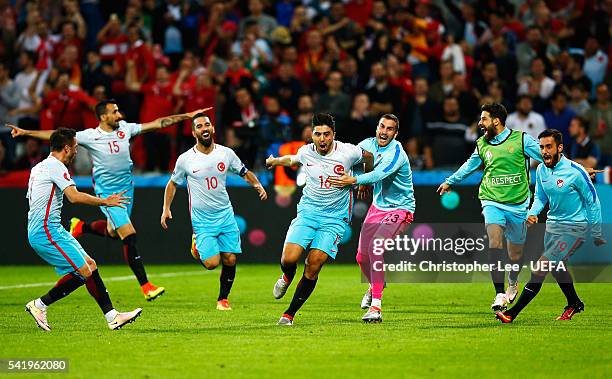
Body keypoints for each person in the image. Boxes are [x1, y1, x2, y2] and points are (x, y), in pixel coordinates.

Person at [9, 100, 211, 300]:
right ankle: (146, 285)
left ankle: (82, 228)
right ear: (103, 116)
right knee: (128, 234)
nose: (119, 114)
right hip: (106, 192)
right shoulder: (90, 136)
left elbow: (159, 123)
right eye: (114, 112)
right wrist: (26, 133)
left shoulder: (126, 129)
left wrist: (189, 115)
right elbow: (56, 137)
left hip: (126, 190)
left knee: (114, 232)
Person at [24, 128, 142, 331]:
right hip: (45, 231)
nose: (77, 152)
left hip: (51, 228)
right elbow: (74, 196)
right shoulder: (56, 166)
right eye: (76, 148)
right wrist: (105, 201)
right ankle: (40, 304)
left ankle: (113, 316)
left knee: (90, 265)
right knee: (83, 271)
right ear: (67, 148)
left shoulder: (39, 167)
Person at [265, 113, 374, 325]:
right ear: (312, 135)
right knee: (288, 259)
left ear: (334, 135)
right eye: (317, 134)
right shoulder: (307, 152)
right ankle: (287, 277)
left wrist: (363, 180)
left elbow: (368, 157)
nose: (322, 139)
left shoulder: (348, 152)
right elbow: (293, 160)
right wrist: (276, 161)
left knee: (313, 264)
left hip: (335, 218)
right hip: (308, 212)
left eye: (326, 134)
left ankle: (289, 314)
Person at [437, 103, 543, 312]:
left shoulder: (521, 140)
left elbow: (547, 157)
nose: (480, 123)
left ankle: (513, 280)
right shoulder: (482, 144)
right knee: (494, 240)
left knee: (515, 253)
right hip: (491, 200)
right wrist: (451, 180)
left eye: (484, 119)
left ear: (496, 120)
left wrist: (577, 169)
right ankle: (499, 293)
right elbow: (469, 165)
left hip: (518, 204)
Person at [496, 129, 605, 323]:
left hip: (574, 229)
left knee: (541, 266)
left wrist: (596, 231)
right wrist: (532, 212)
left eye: (549, 147)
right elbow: (540, 197)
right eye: (542, 147)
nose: (544, 151)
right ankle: (574, 303)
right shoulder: (540, 170)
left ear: (559, 148)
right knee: (556, 267)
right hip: (552, 227)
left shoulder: (576, 171)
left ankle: (512, 314)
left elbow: (592, 201)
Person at [161, 113, 267, 310]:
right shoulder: (185, 159)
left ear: (213, 129)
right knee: (211, 263)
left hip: (225, 214)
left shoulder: (226, 153)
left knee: (231, 258)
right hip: (202, 219)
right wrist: (166, 208)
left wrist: (257, 185)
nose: (205, 128)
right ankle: (197, 248)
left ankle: (223, 299)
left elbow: (244, 172)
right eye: (200, 126)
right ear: (194, 133)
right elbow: (172, 184)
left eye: (207, 125)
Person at [328, 114, 415, 323]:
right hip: (377, 208)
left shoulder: (397, 153)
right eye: (382, 127)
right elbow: (353, 158)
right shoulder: (367, 144)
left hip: (400, 209)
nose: (384, 132)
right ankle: (375, 283)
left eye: (390, 129)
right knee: (361, 257)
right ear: (376, 128)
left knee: (376, 248)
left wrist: (356, 180)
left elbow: (379, 174)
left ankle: (376, 307)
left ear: (396, 133)